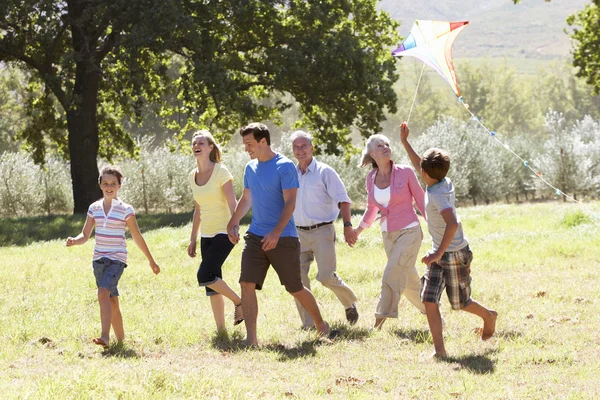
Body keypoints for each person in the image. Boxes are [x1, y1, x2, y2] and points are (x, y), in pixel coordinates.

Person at [226, 122, 331, 346]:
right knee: (246, 283)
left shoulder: (284, 166)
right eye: (245, 144)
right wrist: (233, 222)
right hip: (255, 236)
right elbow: (246, 199)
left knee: (295, 287)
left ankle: (321, 324)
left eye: (249, 144)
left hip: (283, 238)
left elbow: (290, 202)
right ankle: (251, 339)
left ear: (263, 141)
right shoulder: (250, 168)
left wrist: (276, 232)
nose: (246, 148)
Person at [400, 122, 497, 358]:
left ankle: (488, 316)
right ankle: (440, 352)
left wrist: (437, 254)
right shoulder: (441, 180)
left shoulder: (438, 196)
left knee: (460, 304)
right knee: (429, 300)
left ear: (424, 174)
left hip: (454, 254)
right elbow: (420, 165)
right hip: (440, 252)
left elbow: (452, 223)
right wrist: (404, 142)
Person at [66, 165, 160, 348]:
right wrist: (74, 241)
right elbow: (85, 235)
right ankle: (121, 341)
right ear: (100, 184)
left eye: (113, 183)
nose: (109, 186)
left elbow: (136, 236)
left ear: (119, 186)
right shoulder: (94, 208)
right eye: (106, 183)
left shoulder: (125, 209)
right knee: (112, 300)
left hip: (117, 259)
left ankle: (105, 336)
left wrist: (151, 260)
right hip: (98, 260)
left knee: (103, 293)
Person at [353, 133, 427, 331]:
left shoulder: (406, 172)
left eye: (387, 143)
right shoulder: (370, 178)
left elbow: (421, 201)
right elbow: (371, 209)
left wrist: (438, 229)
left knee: (391, 275)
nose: (385, 146)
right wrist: (358, 231)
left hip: (410, 231)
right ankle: (434, 314)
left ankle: (378, 322)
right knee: (410, 282)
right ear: (371, 153)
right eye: (380, 145)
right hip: (387, 234)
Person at [290, 130, 359, 328]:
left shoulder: (325, 172)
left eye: (304, 146)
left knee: (326, 276)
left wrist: (347, 227)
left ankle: (348, 302)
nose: (300, 150)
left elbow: (344, 201)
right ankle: (309, 323)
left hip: (322, 231)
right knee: (298, 281)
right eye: (296, 147)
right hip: (298, 233)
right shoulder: (290, 174)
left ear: (312, 148)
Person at [187, 130, 243, 334]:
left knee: (205, 274)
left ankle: (239, 302)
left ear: (210, 147)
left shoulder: (221, 172)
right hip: (207, 234)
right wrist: (193, 238)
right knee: (212, 284)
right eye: (194, 143)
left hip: (224, 231)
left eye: (201, 142)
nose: (196, 145)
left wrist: (234, 226)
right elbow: (198, 209)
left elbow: (232, 201)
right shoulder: (192, 176)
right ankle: (221, 330)